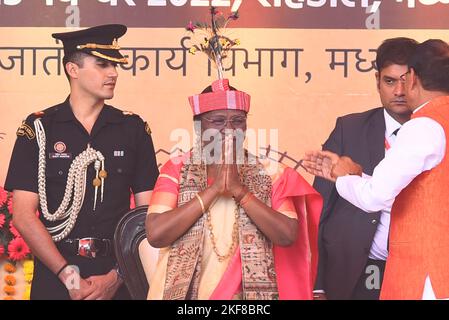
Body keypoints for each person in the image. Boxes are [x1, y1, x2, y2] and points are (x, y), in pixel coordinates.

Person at [4, 24, 159, 300]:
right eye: (102, 65)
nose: (113, 73)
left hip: (119, 274)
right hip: (56, 275)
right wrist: (70, 277)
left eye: (114, 66)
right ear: (72, 70)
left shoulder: (132, 129)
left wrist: (116, 278)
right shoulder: (39, 128)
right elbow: (24, 216)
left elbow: (147, 217)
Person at [145, 78, 322, 300]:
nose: (229, 130)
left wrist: (240, 191)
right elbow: (156, 234)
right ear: (199, 127)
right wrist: (215, 189)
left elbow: (287, 235)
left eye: (238, 121)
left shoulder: (270, 172)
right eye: (218, 121)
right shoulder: (177, 168)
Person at [303, 39, 449, 300]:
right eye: (390, 81)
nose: (400, 90)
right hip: (368, 272)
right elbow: (421, 190)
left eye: (404, 79)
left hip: (424, 274)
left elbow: (375, 196)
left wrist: (344, 176)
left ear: (413, 77)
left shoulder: (423, 126)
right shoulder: (351, 128)